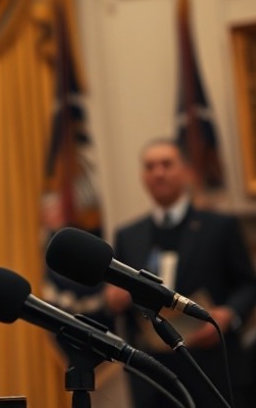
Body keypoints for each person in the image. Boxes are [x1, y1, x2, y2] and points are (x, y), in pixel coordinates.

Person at [104, 138, 256, 407]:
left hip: (211, 369)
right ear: (143, 177)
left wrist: (229, 315)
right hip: (151, 375)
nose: (158, 172)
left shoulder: (219, 227)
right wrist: (114, 298)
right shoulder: (128, 236)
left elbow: (248, 284)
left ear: (186, 172)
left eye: (166, 164)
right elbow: (117, 295)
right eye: (150, 167)